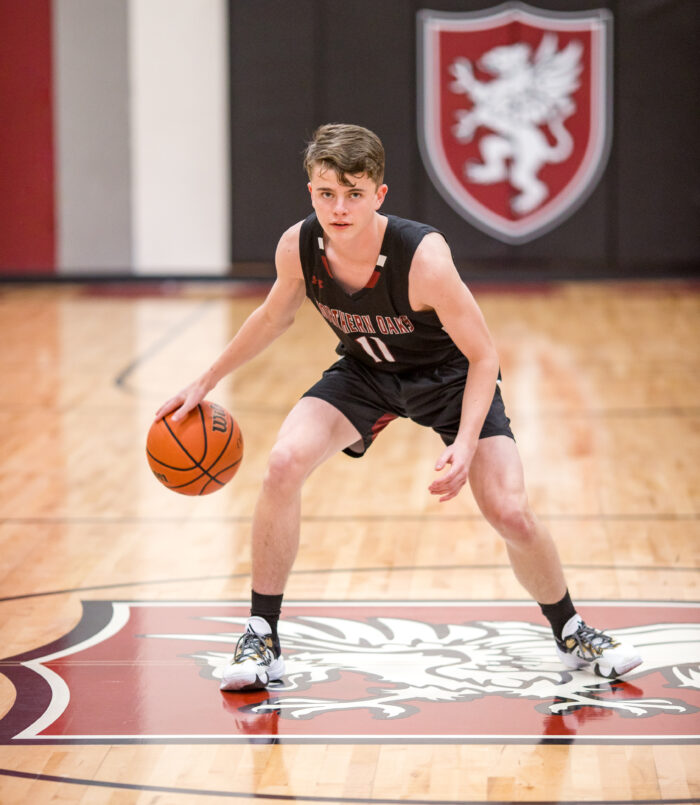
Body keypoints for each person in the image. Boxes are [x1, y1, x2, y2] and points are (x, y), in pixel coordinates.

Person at [155, 123, 641, 691]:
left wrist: (463, 446)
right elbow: (271, 318)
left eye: (354, 194)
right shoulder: (299, 247)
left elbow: (484, 356)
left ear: (379, 195)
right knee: (283, 464)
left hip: (451, 379)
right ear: (310, 191)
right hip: (366, 373)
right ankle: (262, 635)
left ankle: (573, 632)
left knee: (509, 511)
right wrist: (205, 381)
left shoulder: (422, 257)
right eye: (326, 193)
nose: (339, 208)